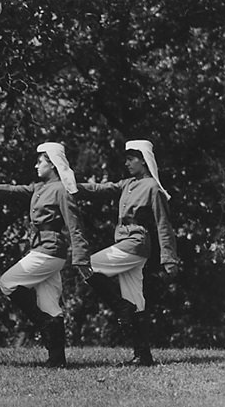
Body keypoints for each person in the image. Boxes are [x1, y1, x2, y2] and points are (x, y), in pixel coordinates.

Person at [0, 143, 90, 368]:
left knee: (7, 282)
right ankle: (57, 359)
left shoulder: (61, 189)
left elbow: (74, 225)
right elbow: (10, 191)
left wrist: (81, 256)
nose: (35, 165)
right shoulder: (38, 188)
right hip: (43, 249)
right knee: (50, 304)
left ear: (51, 164)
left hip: (49, 250)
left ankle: (42, 324)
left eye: (40, 161)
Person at [76, 139, 180, 366]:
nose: (127, 163)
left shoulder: (153, 188)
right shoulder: (127, 184)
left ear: (143, 160)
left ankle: (122, 308)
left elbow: (164, 224)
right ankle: (143, 356)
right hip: (128, 246)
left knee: (87, 264)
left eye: (131, 159)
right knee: (136, 300)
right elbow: (100, 189)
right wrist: (72, 187)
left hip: (135, 244)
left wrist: (169, 259)